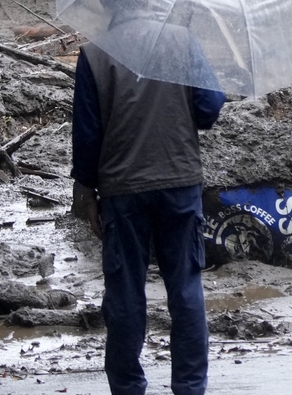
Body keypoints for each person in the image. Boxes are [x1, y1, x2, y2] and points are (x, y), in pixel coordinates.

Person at [71, 37, 225, 395]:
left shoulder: (94, 54)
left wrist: (85, 192)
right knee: (186, 288)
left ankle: (128, 388)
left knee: (124, 292)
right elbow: (210, 109)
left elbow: (87, 133)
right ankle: (189, 388)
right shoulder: (183, 45)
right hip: (179, 182)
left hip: (121, 189)